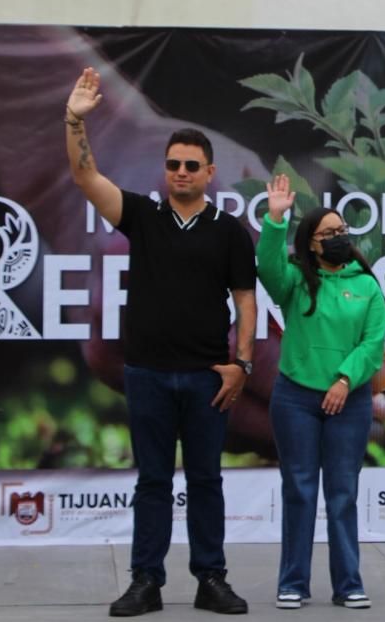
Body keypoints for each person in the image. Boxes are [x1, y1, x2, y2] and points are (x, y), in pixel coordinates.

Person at [65, 68, 257, 617]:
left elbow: (246, 302)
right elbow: (85, 176)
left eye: (191, 165)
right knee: (152, 481)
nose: (181, 172)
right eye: (173, 164)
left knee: (206, 481)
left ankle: (211, 579)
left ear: (209, 172)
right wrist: (75, 119)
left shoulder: (229, 231)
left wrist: (241, 365)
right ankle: (145, 581)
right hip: (146, 373)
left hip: (206, 377)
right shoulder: (143, 216)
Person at [258, 174, 385, 611]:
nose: (338, 238)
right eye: (328, 233)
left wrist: (345, 380)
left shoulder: (366, 284)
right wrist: (275, 220)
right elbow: (268, 270)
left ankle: (348, 583)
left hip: (349, 401)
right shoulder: (296, 279)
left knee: (342, 493)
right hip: (295, 398)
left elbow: (373, 344)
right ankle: (293, 582)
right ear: (312, 244)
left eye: (341, 231)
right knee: (299, 489)